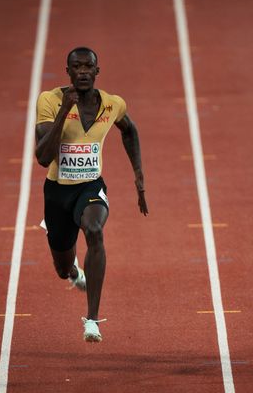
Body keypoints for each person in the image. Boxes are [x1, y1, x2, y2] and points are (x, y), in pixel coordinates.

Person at [35, 47, 148, 343]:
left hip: (90, 187)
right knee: (62, 266)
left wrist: (139, 178)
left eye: (89, 67)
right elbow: (43, 157)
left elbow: (130, 130)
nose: (83, 71)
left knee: (95, 231)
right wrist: (63, 112)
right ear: (68, 72)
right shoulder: (49, 100)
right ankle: (74, 273)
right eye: (77, 67)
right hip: (57, 192)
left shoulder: (112, 104)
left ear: (98, 71)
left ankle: (93, 320)